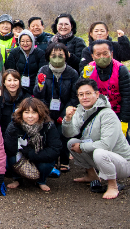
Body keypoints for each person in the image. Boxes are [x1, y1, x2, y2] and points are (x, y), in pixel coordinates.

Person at [63, 78, 130, 200]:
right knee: (72, 143)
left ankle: (113, 185)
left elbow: (106, 145)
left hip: (123, 163)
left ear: (97, 94)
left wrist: (82, 147)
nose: (84, 97)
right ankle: (92, 175)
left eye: (88, 93)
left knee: (99, 152)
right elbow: (69, 134)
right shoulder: (80, 110)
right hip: (102, 156)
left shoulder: (107, 114)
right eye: (81, 95)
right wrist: (67, 119)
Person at [33, 42, 79, 172]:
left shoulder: (72, 73)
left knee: (63, 134)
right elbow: (37, 94)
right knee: (48, 135)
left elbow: (74, 97)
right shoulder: (43, 70)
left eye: (60, 55)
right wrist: (40, 86)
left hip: (65, 109)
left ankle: (64, 161)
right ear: (48, 56)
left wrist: (64, 114)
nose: (57, 57)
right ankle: (51, 161)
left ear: (66, 56)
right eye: (53, 55)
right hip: (46, 110)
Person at [81, 40, 130, 142]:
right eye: (98, 54)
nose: (102, 57)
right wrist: (83, 78)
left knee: (120, 138)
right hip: (99, 109)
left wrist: (124, 121)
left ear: (111, 54)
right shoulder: (89, 68)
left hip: (119, 109)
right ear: (93, 56)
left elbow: (128, 97)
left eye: (105, 53)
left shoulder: (121, 70)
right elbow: (79, 91)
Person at [4, 97, 62, 191]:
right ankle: (17, 179)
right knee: (11, 158)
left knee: (45, 165)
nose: (30, 116)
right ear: (21, 113)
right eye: (26, 112)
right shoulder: (14, 125)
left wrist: (31, 154)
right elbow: (9, 148)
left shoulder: (48, 126)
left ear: (40, 113)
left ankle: (41, 181)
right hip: (21, 155)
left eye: (34, 112)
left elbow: (55, 149)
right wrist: (14, 131)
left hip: (39, 154)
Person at [4, 30, 47, 94]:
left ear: (32, 41)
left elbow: (42, 71)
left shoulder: (40, 53)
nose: (25, 43)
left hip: (35, 85)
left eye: (28, 41)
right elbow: (10, 70)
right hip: (18, 86)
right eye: (22, 41)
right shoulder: (14, 53)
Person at [0, 70, 31, 138]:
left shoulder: (26, 97)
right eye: (9, 80)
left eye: (15, 80)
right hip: (3, 135)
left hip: (22, 135)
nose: (12, 83)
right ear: (3, 83)